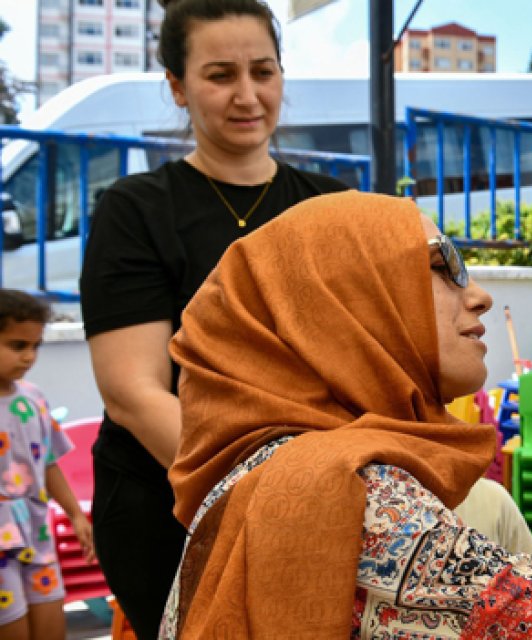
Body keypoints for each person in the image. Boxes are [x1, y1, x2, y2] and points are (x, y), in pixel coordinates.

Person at [158, 191, 532, 638]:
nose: (478, 293)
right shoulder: (355, 502)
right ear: (348, 303)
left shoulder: (272, 475)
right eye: (445, 266)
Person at [77, 0, 348, 636]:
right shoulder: (136, 209)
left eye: (263, 71)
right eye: (220, 74)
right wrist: (267, 492)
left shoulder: (334, 207)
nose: (247, 95)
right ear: (177, 85)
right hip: (165, 507)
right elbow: (133, 391)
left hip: (314, 499)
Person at [0, 290, 95, 639]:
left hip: (37, 531)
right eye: (17, 345)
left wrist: (74, 514)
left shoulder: (34, 398)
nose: (28, 356)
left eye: (35, 346)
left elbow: (48, 462)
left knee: (51, 625)